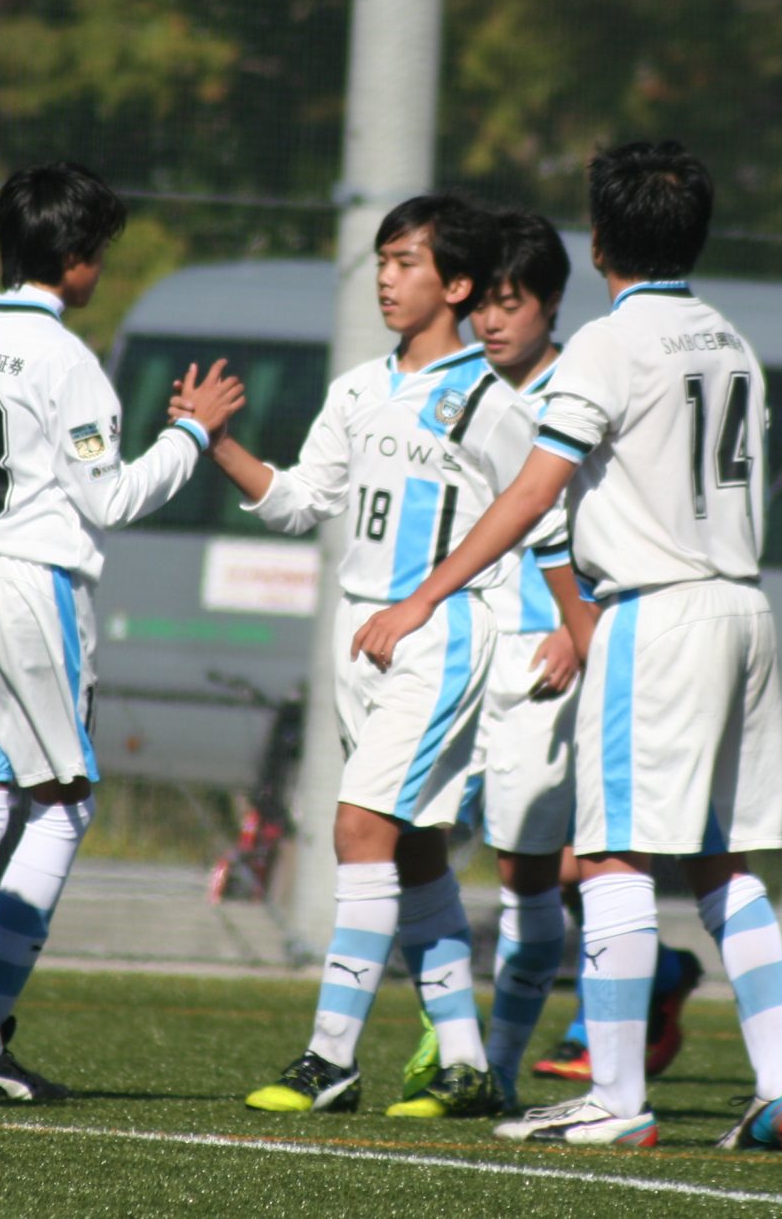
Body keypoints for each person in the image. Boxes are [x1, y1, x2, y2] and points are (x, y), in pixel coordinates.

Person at [354, 141, 782, 1151]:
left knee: (609, 855)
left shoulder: (610, 344)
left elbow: (532, 493)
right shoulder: (729, 338)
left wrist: (421, 598)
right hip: (741, 606)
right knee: (719, 862)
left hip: (651, 613)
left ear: (600, 240)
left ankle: (614, 1098)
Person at [0, 163, 242, 1101]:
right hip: (30, 584)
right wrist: (195, 436)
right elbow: (111, 496)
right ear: (78, 262)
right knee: (65, 800)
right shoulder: (68, 364)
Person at [220, 194, 548, 1120]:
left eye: (406, 262)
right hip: (359, 633)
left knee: (359, 829)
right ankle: (470, 1065)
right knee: (414, 852)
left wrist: (563, 622)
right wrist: (218, 443)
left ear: (458, 284)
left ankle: (332, 1060)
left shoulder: (489, 396)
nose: (386, 278)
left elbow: (542, 511)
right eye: (382, 260)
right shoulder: (359, 387)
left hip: (437, 634)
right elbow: (297, 500)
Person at [452, 211, 702, 1097]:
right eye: (479, 302)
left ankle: (509, 1061)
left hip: (556, 651)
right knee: (492, 855)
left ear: (552, 304)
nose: (490, 321)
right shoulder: (466, 390)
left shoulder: (589, 379)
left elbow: (589, 520)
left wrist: (573, 622)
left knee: (545, 862)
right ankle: (468, 1046)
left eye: (509, 303)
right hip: (471, 649)